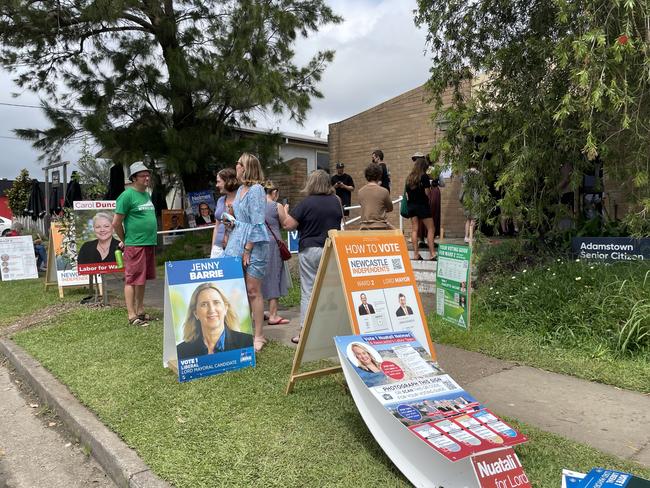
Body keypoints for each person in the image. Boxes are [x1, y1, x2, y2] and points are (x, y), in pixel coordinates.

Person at [281, 169, 343, 344]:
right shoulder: (336, 201)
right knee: (330, 291)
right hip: (331, 248)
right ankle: (332, 329)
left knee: (309, 291)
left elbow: (288, 225)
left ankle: (304, 332)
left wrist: (284, 211)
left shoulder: (306, 203)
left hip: (310, 250)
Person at [224, 153, 269, 352]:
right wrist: (231, 220)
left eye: (239, 163)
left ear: (247, 167)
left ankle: (259, 335)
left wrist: (247, 249)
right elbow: (243, 219)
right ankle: (243, 331)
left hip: (255, 245)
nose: (236, 165)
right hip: (237, 241)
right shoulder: (241, 188)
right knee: (238, 289)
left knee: (253, 290)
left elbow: (258, 222)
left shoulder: (257, 189)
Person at [113, 161, 158, 327]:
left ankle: (140, 311)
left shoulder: (147, 195)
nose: (147, 178)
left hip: (148, 243)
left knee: (142, 279)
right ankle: (131, 315)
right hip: (135, 244)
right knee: (132, 280)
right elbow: (116, 223)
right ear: (134, 178)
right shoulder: (126, 196)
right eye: (143, 175)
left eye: (148, 174)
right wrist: (125, 241)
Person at [176, 283, 253, 359]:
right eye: (204, 304)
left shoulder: (247, 343)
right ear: (196, 313)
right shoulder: (181, 351)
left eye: (216, 302)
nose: (211, 310)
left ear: (225, 308)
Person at [261, 180, 291, 325]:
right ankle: (273, 315)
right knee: (274, 276)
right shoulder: (276, 205)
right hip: (273, 245)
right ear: (274, 193)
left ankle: (258, 312)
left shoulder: (256, 206)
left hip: (257, 243)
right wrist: (285, 210)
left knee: (258, 278)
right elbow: (286, 223)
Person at [405, 157, 436, 260]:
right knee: (431, 229)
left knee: (415, 230)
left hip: (411, 206)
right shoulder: (424, 177)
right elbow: (427, 193)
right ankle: (432, 254)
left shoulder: (409, 178)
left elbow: (407, 194)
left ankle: (416, 254)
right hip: (422, 206)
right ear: (424, 166)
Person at [210, 168, 240, 257]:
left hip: (236, 246)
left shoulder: (241, 200)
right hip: (218, 247)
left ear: (227, 181)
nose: (216, 185)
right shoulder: (220, 200)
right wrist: (213, 248)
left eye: (219, 182)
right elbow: (217, 226)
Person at [358, 162, 394, 230]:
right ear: (379, 176)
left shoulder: (360, 192)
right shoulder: (384, 191)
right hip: (380, 227)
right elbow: (390, 208)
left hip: (364, 227)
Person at [460, 167, 481, 243]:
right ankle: (471, 237)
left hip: (466, 198)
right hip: (475, 199)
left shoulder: (465, 173)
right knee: (474, 219)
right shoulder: (478, 174)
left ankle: (466, 237)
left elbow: (462, 184)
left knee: (468, 219)